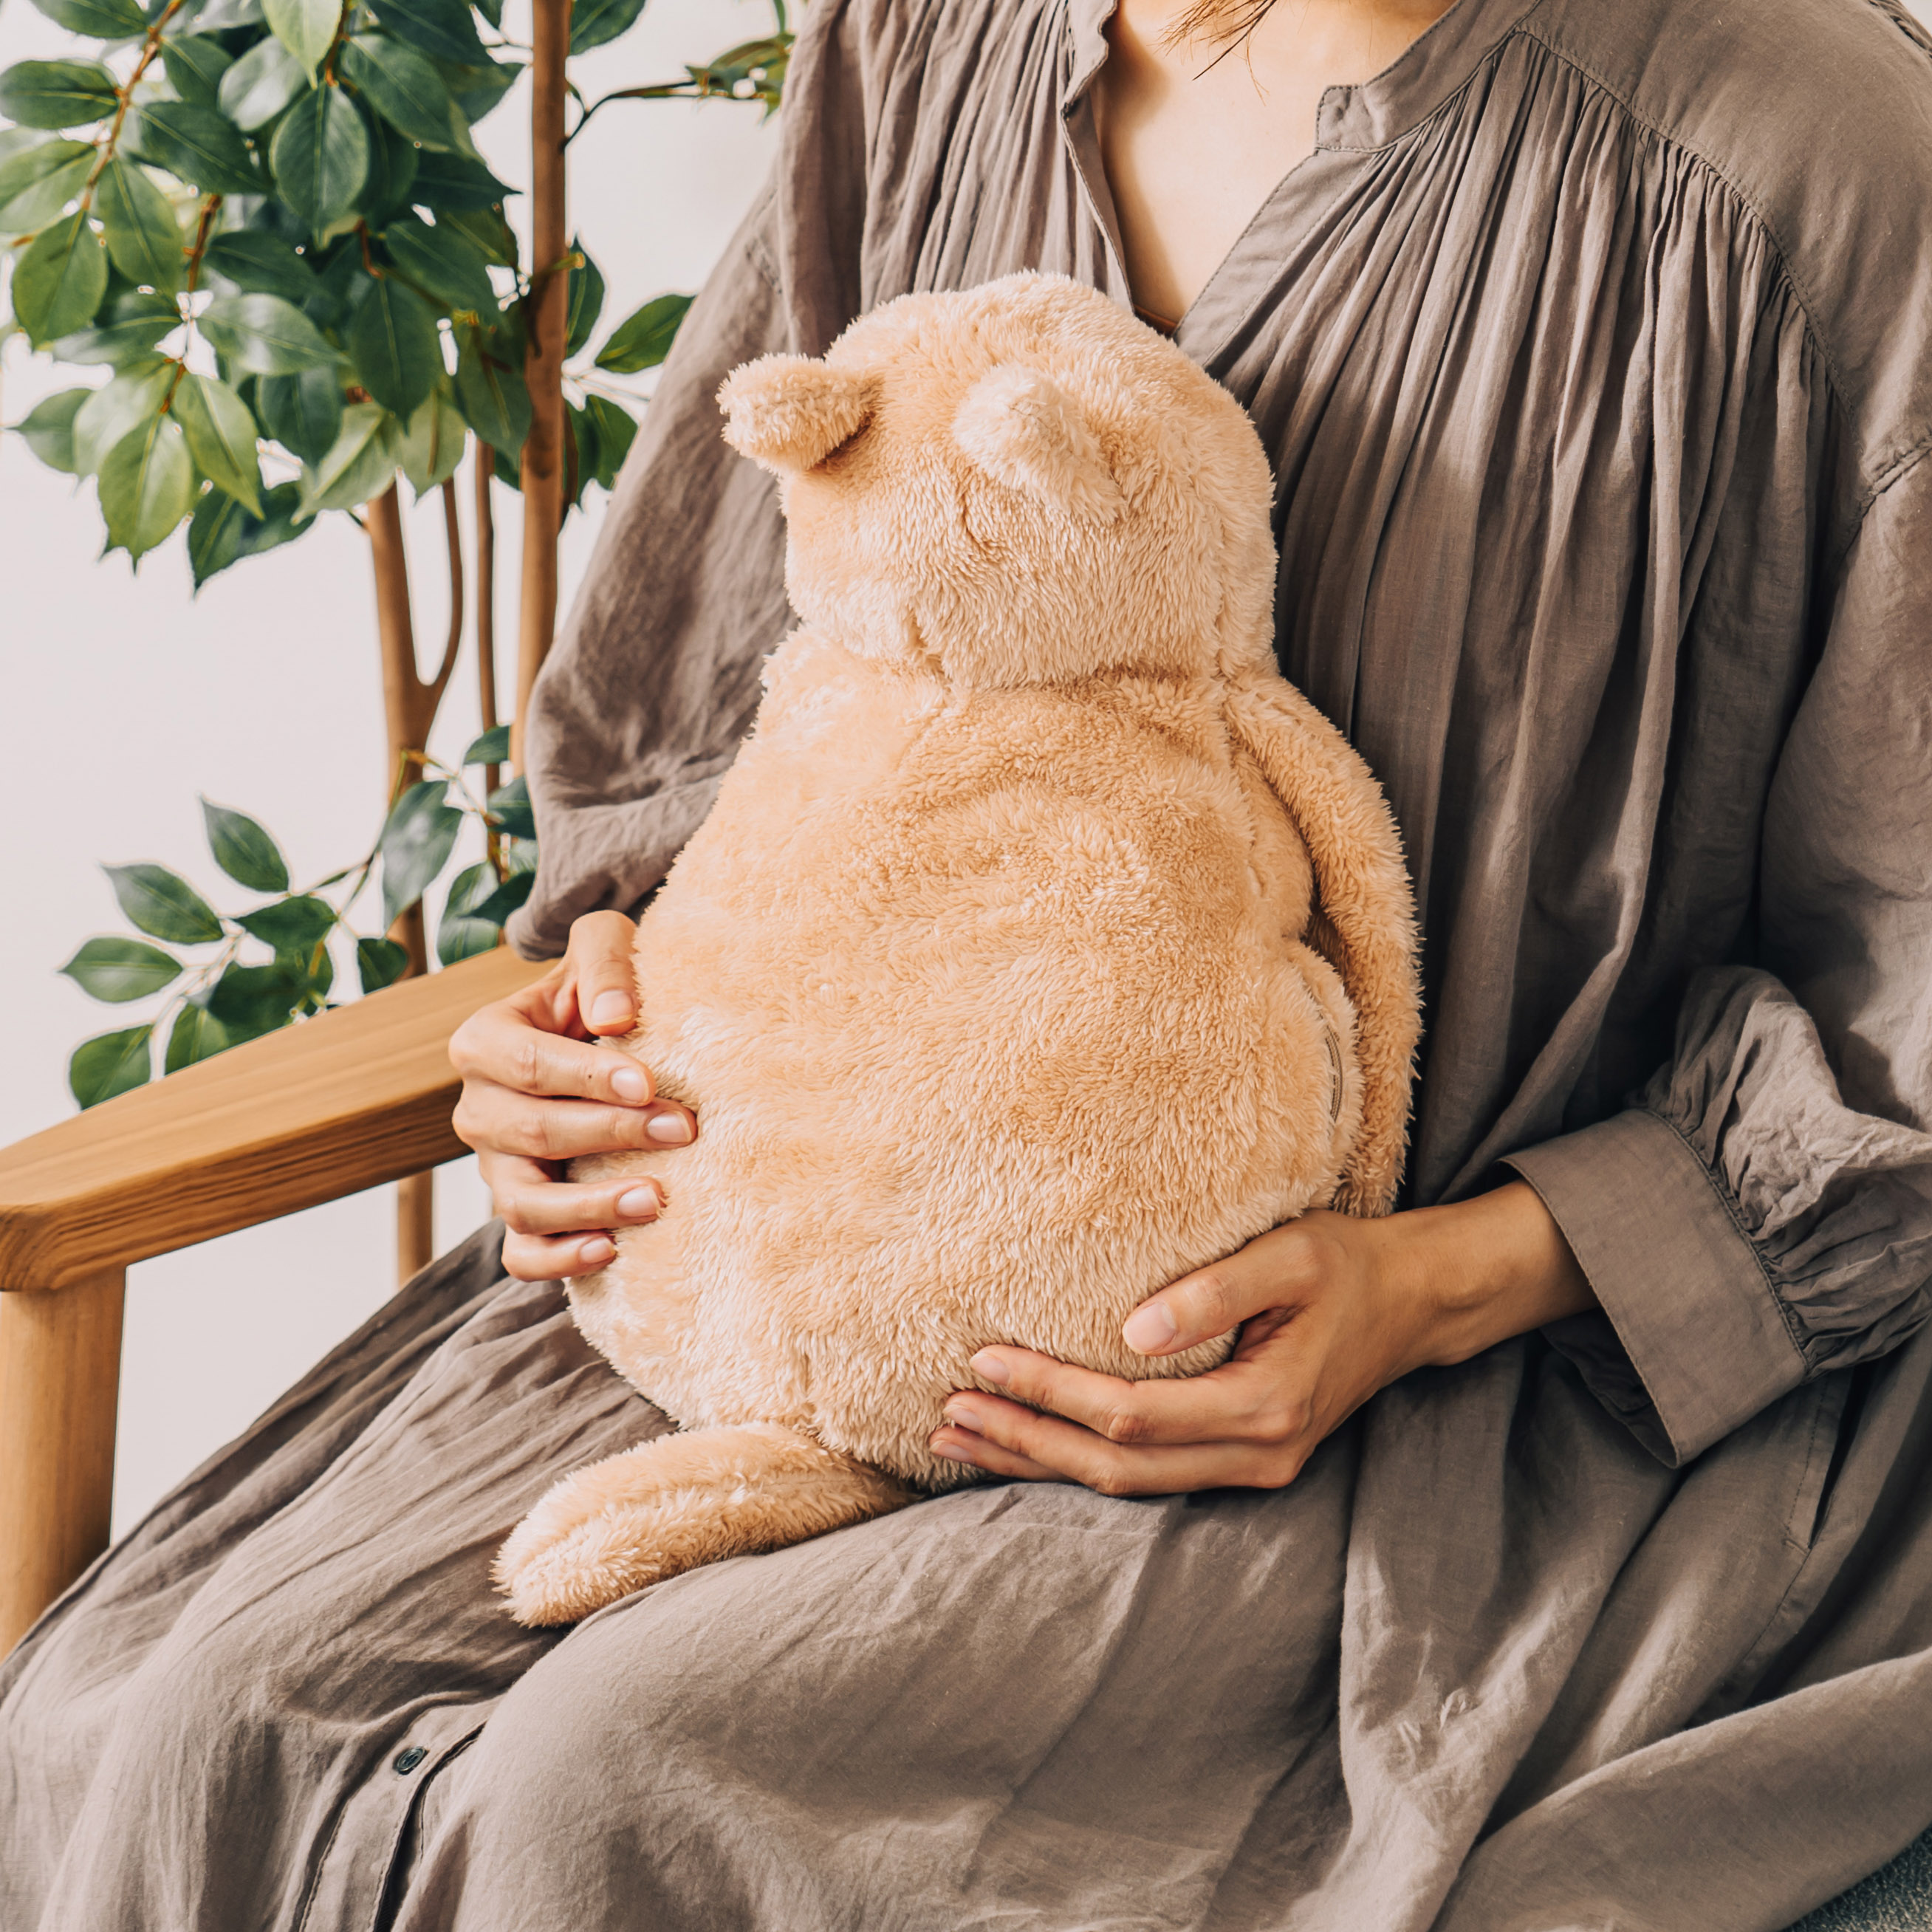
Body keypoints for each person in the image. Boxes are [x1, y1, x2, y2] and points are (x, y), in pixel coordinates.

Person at [4, 0, 1930, 1925]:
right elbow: (714, 721)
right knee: (169, 1721)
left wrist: (1421, 1289)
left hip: (1474, 1361)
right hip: (806, 1255)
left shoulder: (1819, 160)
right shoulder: (917, 39)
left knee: (629, 1776)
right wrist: (597, 1020)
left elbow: (1904, 994)